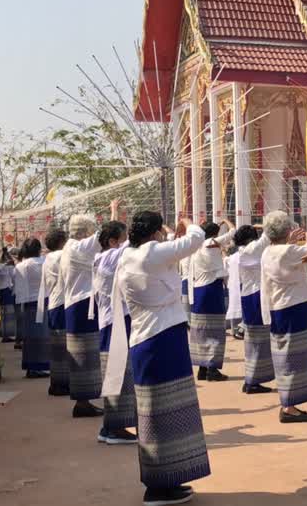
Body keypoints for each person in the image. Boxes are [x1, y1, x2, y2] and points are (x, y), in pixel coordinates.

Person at [103, 212, 210, 506]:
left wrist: (169, 236)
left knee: (154, 414)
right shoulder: (151, 253)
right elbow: (197, 238)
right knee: (171, 412)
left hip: (145, 339)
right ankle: (161, 487)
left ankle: (163, 481)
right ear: (153, 234)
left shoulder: (129, 256)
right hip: (163, 338)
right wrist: (188, 222)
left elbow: (170, 255)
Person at [260, 211, 307, 422]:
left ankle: (288, 402)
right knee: (295, 356)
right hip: (293, 307)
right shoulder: (289, 251)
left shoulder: (268, 252)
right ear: (287, 230)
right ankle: (289, 406)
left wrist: (291, 242)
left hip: (279, 307)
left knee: (285, 355)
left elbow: (295, 254)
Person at [61, 201, 117, 418]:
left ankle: (84, 401)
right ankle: (82, 402)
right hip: (81, 304)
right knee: (84, 354)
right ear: (84, 232)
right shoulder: (76, 247)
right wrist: (112, 213)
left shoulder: (71, 248)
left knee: (86, 354)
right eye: (90, 231)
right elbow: (104, 236)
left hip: (79, 304)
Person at [94, 219, 137, 445]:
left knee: (118, 373)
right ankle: (114, 428)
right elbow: (132, 244)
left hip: (113, 321)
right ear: (112, 242)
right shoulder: (110, 257)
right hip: (115, 323)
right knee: (118, 374)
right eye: (123, 236)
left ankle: (109, 426)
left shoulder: (102, 257)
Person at [187, 219, 235, 382]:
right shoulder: (209, 243)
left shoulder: (195, 246)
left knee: (201, 330)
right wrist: (226, 222)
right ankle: (212, 370)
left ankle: (203, 368)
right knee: (215, 330)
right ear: (215, 234)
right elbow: (233, 232)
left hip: (198, 290)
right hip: (211, 289)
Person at [234, 225, 275, 394]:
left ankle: (251, 379)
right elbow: (266, 237)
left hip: (249, 295)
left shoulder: (242, 251)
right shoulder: (250, 249)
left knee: (254, 341)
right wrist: (267, 225)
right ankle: (252, 381)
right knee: (258, 340)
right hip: (255, 296)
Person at [37, 229, 69, 396]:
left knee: (58, 348)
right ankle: (62, 384)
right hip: (62, 303)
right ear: (61, 242)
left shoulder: (48, 258)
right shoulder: (60, 256)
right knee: (64, 347)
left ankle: (57, 383)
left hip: (54, 303)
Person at [13, 238, 50, 378]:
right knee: (42, 335)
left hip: (28, 303)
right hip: (44, 301)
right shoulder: (44, 262)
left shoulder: (20, 266)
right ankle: (39, 366)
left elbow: (16, 285)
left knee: (30, 336)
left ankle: (30, 366)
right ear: (38, 249)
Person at [0, 247, 17, 343]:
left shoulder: (0, 266)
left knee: (3, 314)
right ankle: (7, 335)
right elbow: (14, 279)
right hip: (7, 291)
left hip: (1, 291)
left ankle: (5, 335)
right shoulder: (10, 267)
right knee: (9, 314)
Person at [225, 248, 244, 340]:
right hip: (239, 285)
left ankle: (235, 330)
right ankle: (239, 330)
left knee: (234, 306)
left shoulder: (229, 259)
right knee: (238, 307)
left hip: (233, 285)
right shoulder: (241, 256)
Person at [12, 246, 26, 350]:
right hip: (24, 295)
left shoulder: (16, 268)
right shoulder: (23, 266)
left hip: (17, 294)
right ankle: (20, 340)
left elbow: (12, 281)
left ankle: (18, 340)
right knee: (22, 319)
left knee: (19, 319)